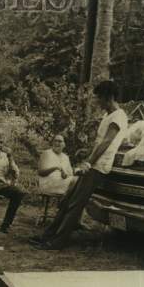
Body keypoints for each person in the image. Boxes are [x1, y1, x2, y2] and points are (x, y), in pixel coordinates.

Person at [31, 80, 128, 250]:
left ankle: (57, 242)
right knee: (68, 200)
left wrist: (89, 163)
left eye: (99, 98)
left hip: (99, 167)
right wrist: (87, 159)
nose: (97, 101)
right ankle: (47, 236)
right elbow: (99, 143)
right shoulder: (108, 116)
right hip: (92, 164)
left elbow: (106, 143)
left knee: (75, 203)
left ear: (109, 97)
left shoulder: (119, 116)